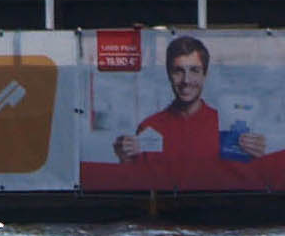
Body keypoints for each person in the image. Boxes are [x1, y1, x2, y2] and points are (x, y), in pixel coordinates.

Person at [111, 34, 265, 165]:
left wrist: (256, 158)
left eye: (194, 70)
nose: (186, 80)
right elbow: (141, 184)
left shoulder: (227, 128)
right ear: (168, 74)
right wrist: (126, 162)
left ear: (204, 75)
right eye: (178, 71)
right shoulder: (149, 128)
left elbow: (239, 181)